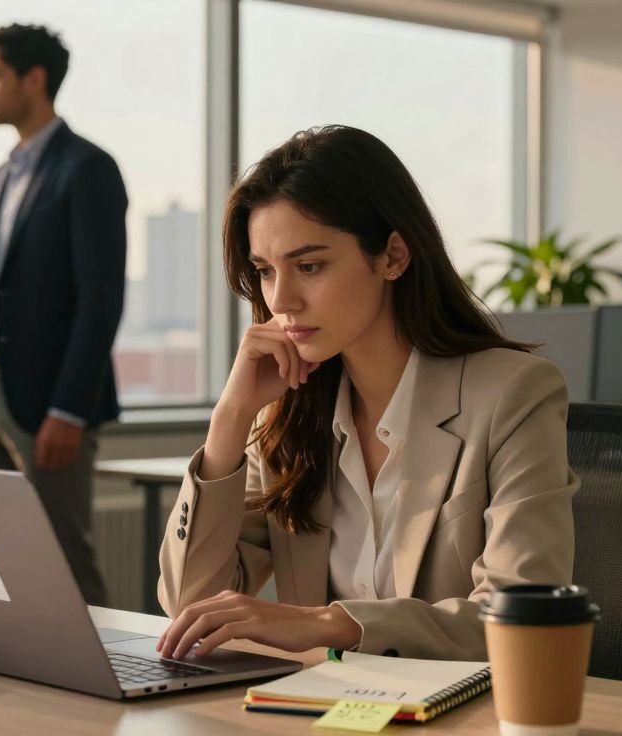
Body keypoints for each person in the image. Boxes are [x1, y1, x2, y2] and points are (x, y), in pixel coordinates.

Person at [155, 125, 578, 661]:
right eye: (265, 271)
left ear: (393, 257)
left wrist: (332, 624)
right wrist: (231, 417)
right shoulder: (286, 415)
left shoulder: (513, 394)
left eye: (309, 266)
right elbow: (188, 605)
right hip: (324, 709)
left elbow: (524, 614)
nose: (281, 299)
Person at [0, 24, 127, 605]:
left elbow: (101, 299)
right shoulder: (1, 177)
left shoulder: (88, 168)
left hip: (51, 404)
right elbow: (11, 295)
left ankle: (101, 684)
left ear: (33, 79)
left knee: (63, 560)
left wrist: (69, 408)